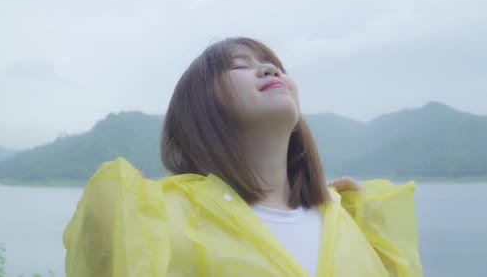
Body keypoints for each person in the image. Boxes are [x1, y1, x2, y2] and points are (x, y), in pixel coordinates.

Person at [63, 37, 422, 276]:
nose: (270, 69)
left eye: (274, 64)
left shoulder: (345, 218)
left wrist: (364, 219)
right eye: (240, 64)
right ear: (202, 104)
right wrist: (111, 225)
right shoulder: (159, 215)